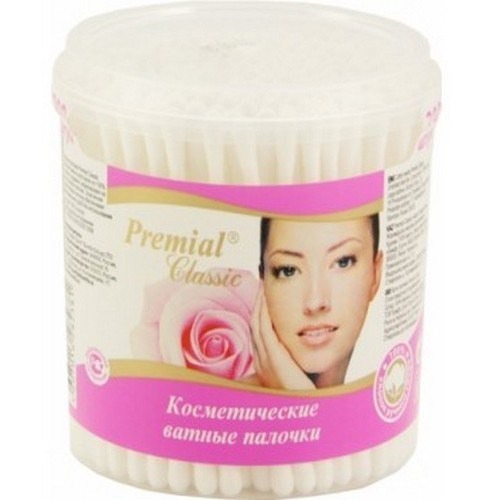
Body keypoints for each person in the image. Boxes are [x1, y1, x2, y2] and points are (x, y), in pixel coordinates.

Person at [251, 215, 383, 389]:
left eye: (342, 262)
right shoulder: (231, 397)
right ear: (263, 282)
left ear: (376, 274)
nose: (314, 303)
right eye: (288, 270)